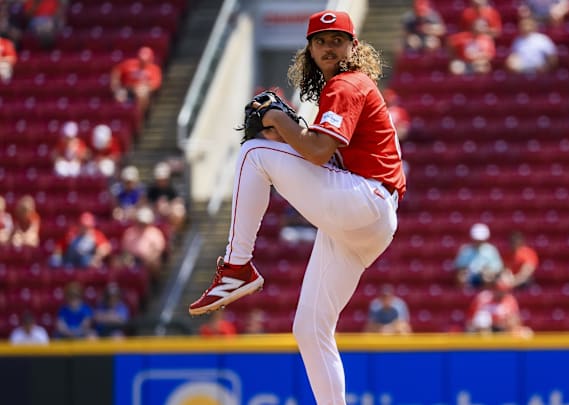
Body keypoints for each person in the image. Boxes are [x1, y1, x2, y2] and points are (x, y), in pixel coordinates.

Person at [189, 10, 405, 405]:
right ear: (309, 48)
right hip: (363, 222)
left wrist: (275, 119)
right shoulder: (343, 88)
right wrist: (285, 130)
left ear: (353, 46)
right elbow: (314, 152)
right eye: (321, 40)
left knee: (253, 153)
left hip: (365, 200)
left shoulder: (346, 84)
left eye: (337, 39)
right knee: (310, 328)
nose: (328, 46)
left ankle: (237, 266)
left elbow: (319, 152)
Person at [465, 271, 532, 337]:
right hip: (484, 333)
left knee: (527, 333)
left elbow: (514, 321)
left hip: (503, 332)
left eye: (504, 289)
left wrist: (503, 323)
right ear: (493, 287)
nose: (501, 292)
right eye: (498, 288)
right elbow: (471, 321)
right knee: (483, 318)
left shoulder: (510, 300)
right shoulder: (483, 298)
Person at [109, 46, 163, 116]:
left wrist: (144, 86)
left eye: (145, 60)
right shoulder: (130, 64)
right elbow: (117, 70)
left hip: (142, 90)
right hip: (128, 89)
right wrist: (115, 84)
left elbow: (156, 84)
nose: (142, 62)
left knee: (142, 93)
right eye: (141, 59)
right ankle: (121, 117)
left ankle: (139, 117)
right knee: (119, 96)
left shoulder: (154, 69)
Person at [120, 206, 167, 278]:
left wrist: (149, 258)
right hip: (133, 259)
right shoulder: (130, 232)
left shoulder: (155, 233)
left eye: (144, 223)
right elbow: (126, 251)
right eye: (140, 222)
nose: (142, 225)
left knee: (154, 263)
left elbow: (158, 251)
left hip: (148, 261)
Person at [453, 223, 504, 288]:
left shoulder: (491, 250)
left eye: (480, 240)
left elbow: (498, 268)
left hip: (484, 277)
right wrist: (464, 271)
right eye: (477, 240)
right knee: (461, 277)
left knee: (488, 277)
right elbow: (459, 267)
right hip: (470, 276)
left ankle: (486, 293)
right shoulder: (465, 250)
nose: (478, 242)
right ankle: (465, 294)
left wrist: (488, 271)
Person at [146, 161, 186, 232]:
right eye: (160, 179)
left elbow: (178, 201)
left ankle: (176, 232)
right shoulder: (152, 189)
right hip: (154, 214)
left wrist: (168, 207)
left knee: (179, 211)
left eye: (164, 179)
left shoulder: (171, 189)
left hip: (168, 215)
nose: (162, 181)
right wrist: (156, 207)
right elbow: (146, 203)